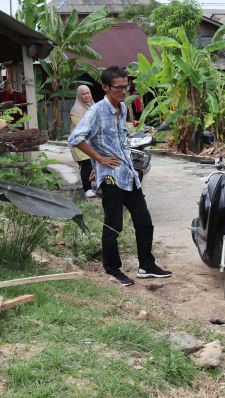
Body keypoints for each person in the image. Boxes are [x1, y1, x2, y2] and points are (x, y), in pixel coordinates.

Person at [68, 66, 172, 287]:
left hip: (129, 174)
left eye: (126, 87)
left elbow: (118, 140)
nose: (124, 91)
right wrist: (99, 159)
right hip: (111, 177)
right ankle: (113, 270)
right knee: (114, 225)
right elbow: (75, 138)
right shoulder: (96, 111)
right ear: (105, 87)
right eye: (119, 87)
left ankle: (146, 266)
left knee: (144, 221)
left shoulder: (123, 108)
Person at [69, 85, 96, 198]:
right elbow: (81, 128)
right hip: (80, 143)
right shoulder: (76, 110)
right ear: (79, 96)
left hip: (93, 141)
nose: (86, 96)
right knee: (86, 165)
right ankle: (87, 189)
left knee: (96, 165)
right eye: (83, 94)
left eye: (88, 93)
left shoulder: (95, 106)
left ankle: (98, 186)